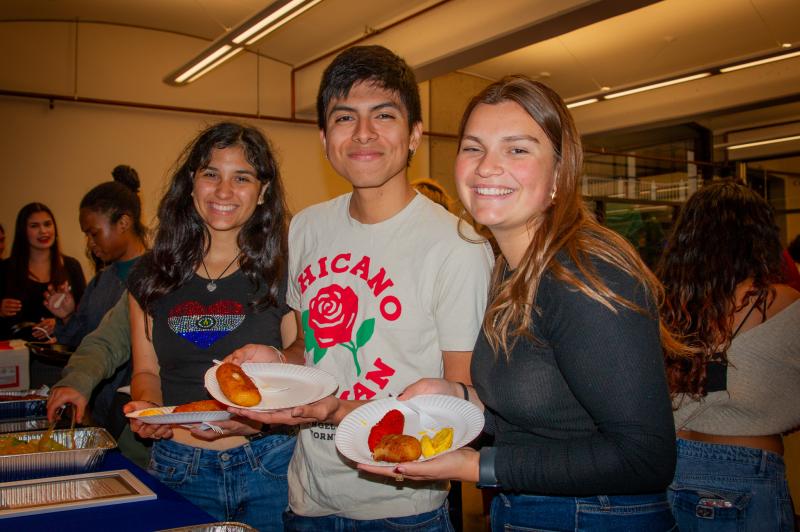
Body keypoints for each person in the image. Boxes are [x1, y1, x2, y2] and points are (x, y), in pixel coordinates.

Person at [359, 75, 682, 531]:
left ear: (560, 170)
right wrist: (458, 394)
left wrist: (475, 467)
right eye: (473, 148)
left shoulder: (585, 276)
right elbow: (546, 412)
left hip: (598, 516)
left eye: (517, 149)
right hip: (532, 511)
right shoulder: (510, 269)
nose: (487, 167)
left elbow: (645, 457)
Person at [229, 45, 493, 530]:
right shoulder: (305, 227)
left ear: (414, 134)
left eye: (384, 115)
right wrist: (275, 363)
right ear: (326, 137)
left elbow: (464, 404)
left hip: (400, 505)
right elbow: (308, 347)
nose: (364, 133)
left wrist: (336, 410)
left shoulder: (457, 246)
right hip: (308, 496)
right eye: (345, 117)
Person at [124, 122, 296, 531]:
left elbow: (301, 356)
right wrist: (148, 410)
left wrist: (262, 411)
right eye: (211, 174)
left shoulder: (285, 268)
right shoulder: (151, 274)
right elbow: (146, 372)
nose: (224, 191)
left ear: (263, 191)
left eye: (242, 178)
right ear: (191, 182)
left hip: (270, 464)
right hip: (179, 469)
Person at [657, 180, 799, 531]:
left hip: (667, 468)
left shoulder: (664, 309)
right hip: (749, 469)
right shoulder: (786, 305)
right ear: (760, 237)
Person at [46, 165, 147, 439]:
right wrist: (67, 316)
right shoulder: (101, 281)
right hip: (96, 407)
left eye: (93, 232)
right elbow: (89, 340)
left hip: (133, 418)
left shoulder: (154, 279)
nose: (90, 243)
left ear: (123, 223)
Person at [0, 203, 86, 342]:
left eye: (47, 224)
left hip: (58, 354)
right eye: (34, 226)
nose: (43, 231)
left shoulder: (72, 266)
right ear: (22, 231)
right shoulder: (5, 268)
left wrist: (59, 322)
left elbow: (84, 312)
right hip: (14, 356)